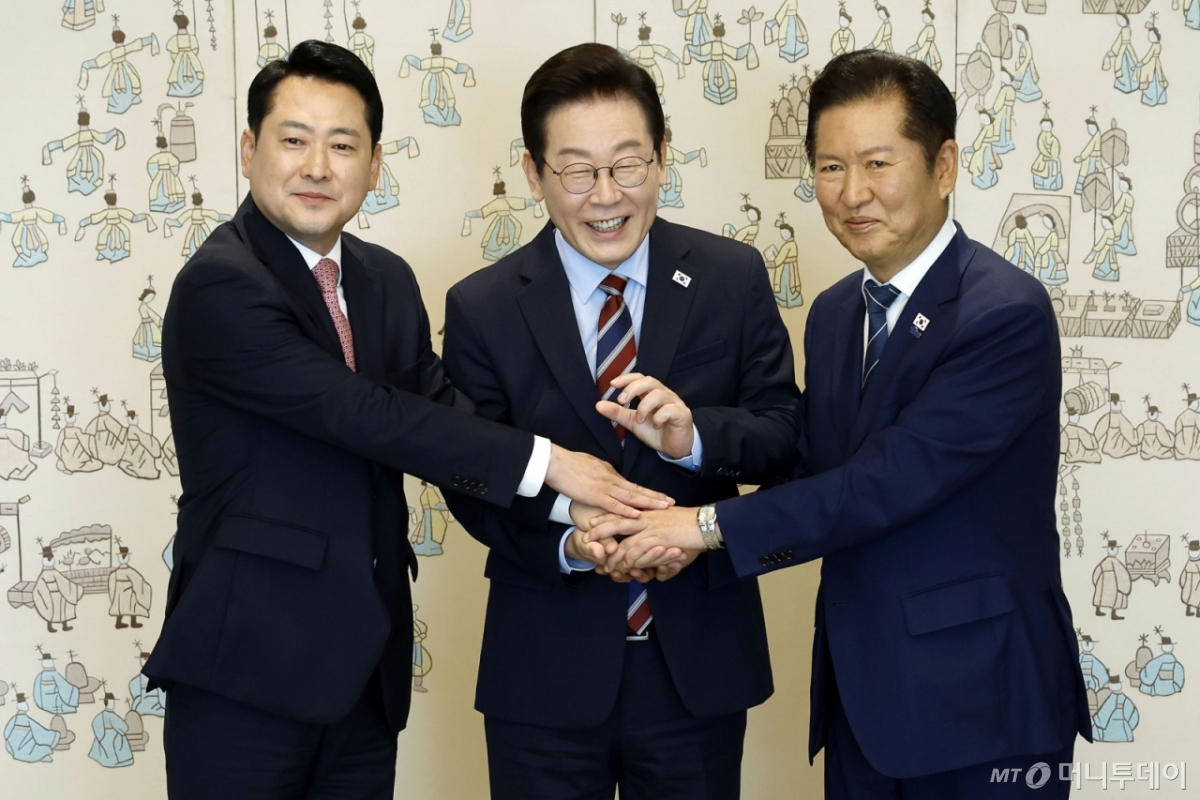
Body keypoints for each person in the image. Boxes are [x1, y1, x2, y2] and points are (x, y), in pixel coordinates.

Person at [144, 40, 665, 800]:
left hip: (362, 672)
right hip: (244, 671)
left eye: (342, 145)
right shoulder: (220, 284)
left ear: (374, 164)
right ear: (250, 150)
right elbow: (364, 415)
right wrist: (555, 463)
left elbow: (442, 413)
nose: (317, 167)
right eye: (294, 140)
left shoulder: (382, 279)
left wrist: (577, 514)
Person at [589, 50, 1089, 799]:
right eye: (830, 167)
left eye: (878, 163)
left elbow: (887, 482)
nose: (852, 193)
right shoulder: (833, 314)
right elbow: (816, 466)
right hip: (863, 692)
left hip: (983, 697)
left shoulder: (1003, 312)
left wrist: (700, 528)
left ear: (944, 166)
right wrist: (693, 443)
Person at [441, 43, 801, 800]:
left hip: (696, 667)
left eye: (627, 165)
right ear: (535, 172)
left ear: (662, 157)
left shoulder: (731, 277)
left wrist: (695, 438)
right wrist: (570, 543)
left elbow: (784, 437)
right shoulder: (483, 305)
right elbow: (471, 479)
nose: (605, 196)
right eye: (577, 170)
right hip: (543, 673)